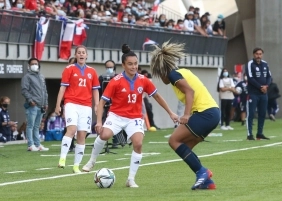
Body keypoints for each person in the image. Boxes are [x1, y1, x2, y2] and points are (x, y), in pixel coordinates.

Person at [82, 44, 178, 188]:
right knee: (104, 135)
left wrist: (171, 113)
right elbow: (102, 102)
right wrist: (99, 122)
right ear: (123, 65)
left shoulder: (143, 80)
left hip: (134, 118)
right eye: (130, 64)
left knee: (138, 143)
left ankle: (130, 179)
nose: (133, 67)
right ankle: (91, 161)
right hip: (116, 116)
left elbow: (157, 96)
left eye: (135, 64)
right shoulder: (116, 81)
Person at [150, 41, 220, 190]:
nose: (161, 79)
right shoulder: (182, 72)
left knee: (173, 140)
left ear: (162, 70)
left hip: (205, 113)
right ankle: (207, 181)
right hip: (213, 113)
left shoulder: (173, 75)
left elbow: (190, 92)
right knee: (185, 147)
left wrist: (186, 115)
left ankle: (202, 172)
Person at [56, 45, 100, 173]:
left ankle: (76, 166)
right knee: (72, 129)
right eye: (79, 52)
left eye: (83, 53)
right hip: (71, 103)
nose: (81, 55)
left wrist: (97, 104)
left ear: (87, 55)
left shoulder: (92, 71)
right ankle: (62, 158)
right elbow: (62, 88)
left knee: (82, 135)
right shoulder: (69, 69)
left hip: (86, 106)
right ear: (76, 55)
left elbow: (95, 90)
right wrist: (58, 104)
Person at [21, 58, 49, 151]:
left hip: (41, 105)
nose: (34, 65)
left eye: (36, 63)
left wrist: (46, 103)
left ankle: (37, 144)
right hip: (32, 105)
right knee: (30, 125)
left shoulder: (41, 76)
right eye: (32, 64)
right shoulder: (27, 77)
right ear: (29, 66)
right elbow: (24, 90)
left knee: (36, 126)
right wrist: (30, 100)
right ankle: (30, 145)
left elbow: (44, 91)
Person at [246, 47, 271, 140]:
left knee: (262, 113)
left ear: (262, 55)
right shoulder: (250, 64)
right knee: (251, 114)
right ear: (253, 54)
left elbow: (269, 77)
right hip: (253, 93)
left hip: (263, 94)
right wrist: (260, 87)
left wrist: (266, 86)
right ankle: (249, 134)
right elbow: (250, 78)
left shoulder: (265, 64)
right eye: (257, 54)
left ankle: (259, 133)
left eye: (260, 54)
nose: (258, 56)